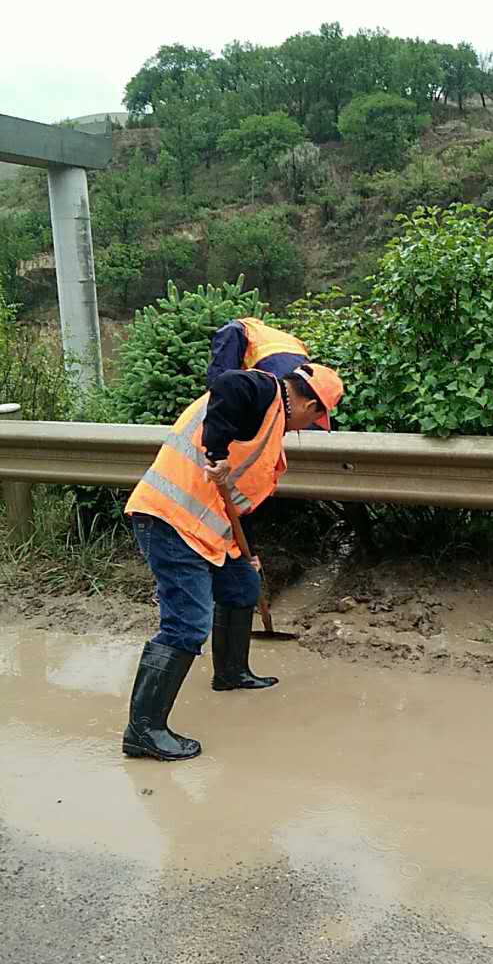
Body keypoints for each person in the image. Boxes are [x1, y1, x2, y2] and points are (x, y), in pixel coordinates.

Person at [122, 362, 344, 763]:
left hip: (209, 527)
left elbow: (239, 497)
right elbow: (226, 384)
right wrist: (219, 452)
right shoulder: (261, 390)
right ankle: (144, 731)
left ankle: (231, 673)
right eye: (316, 417)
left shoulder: (272, 419)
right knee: (186, 624)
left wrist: (246, 549)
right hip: (169, 521)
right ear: (308, 403)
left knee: (243, 584)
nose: (311, 426)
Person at [206, 316, 309, 386]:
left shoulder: (236, 328)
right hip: (303, 373)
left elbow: (221, 375)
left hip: (271, 368)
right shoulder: (279, 335)